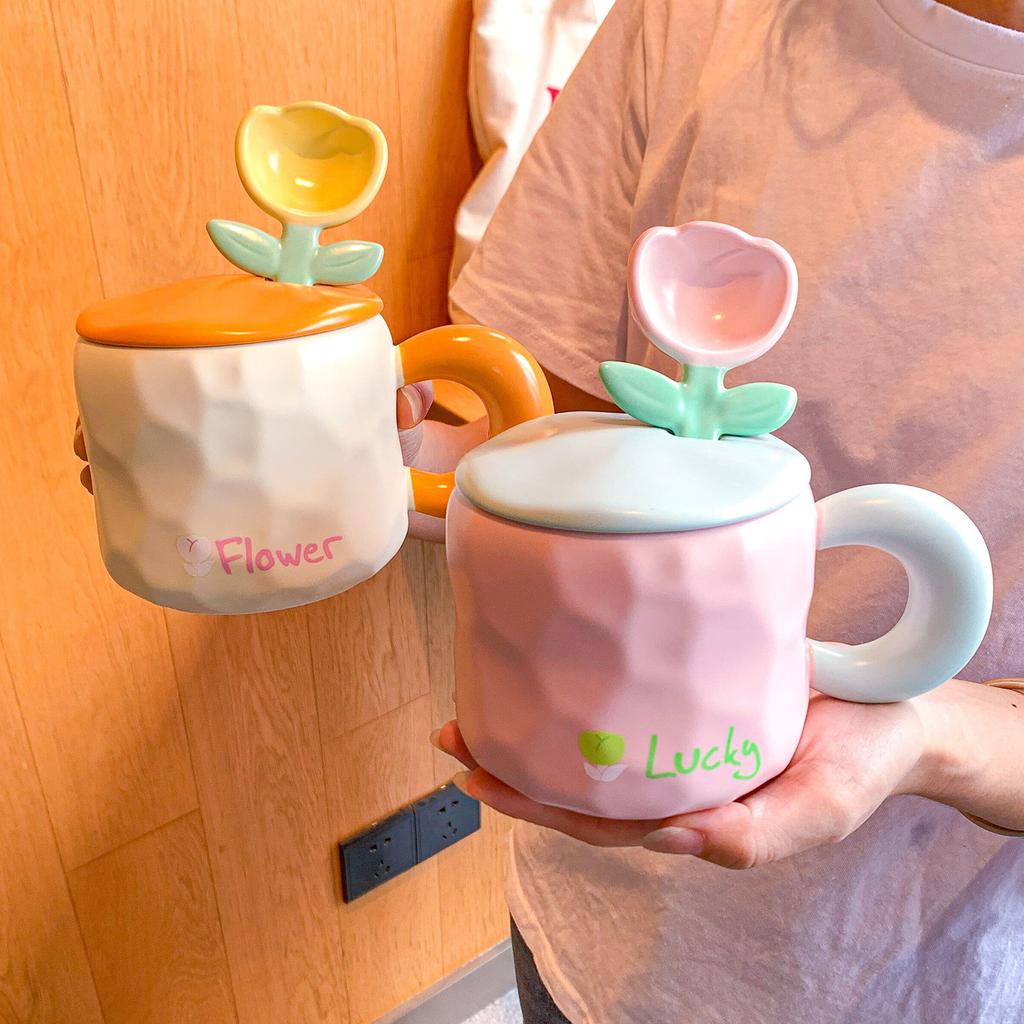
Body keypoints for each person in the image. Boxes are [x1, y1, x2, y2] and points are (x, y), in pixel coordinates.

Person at [429, 0, 1024, 1021]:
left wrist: (930, 732)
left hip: (943, 980)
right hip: (596, 946)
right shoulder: (690, 19)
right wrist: (373, 456)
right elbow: (535, 475)